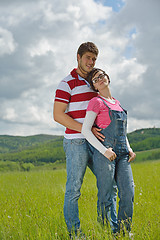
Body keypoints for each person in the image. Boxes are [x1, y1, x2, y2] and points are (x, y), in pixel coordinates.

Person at [53, 42, 117, 238]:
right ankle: (75, 234)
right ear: (78, 57)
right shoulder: (67, 83)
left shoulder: (94, 83)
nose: (91, 62)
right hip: (76, 142)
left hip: (98, 143)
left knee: (109, 185)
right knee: (74, 189)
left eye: (94, 59)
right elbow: (58, 115)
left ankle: (107, 229)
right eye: (88, 57)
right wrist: (85, 129)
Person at [82, 68, 136, 236]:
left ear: (107, 78)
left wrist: (129, 149)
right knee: (105, 194)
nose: (99, 79)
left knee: (128, 193)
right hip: (105, 153)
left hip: (122, 153)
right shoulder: (96, 102)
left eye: (101, 76)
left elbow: (122, 132)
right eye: (95, 79)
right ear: (94, 87)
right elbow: (85, 130)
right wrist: (104, 150)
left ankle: (123, 233)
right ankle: (106, 233)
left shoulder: (117, 103)